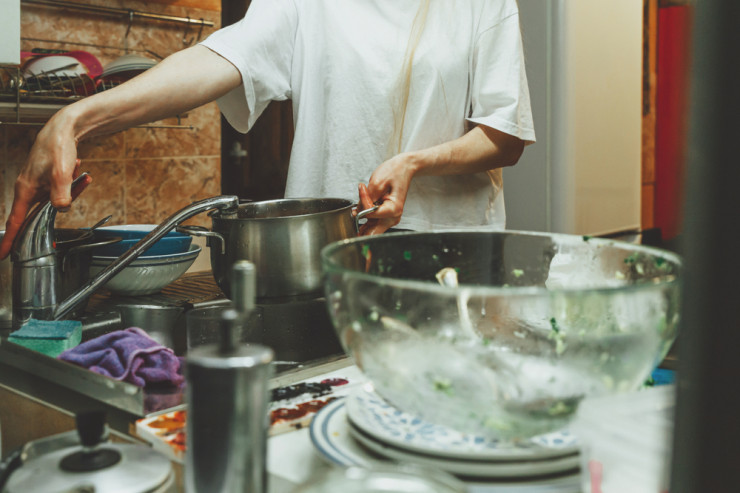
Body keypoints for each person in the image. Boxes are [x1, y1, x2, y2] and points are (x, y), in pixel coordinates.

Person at [0, 0, 534, 259]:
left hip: (452, 258)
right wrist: (73, 118)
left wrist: (415, 162)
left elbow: (504, 134)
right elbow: (218, 58)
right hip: (333, 255)